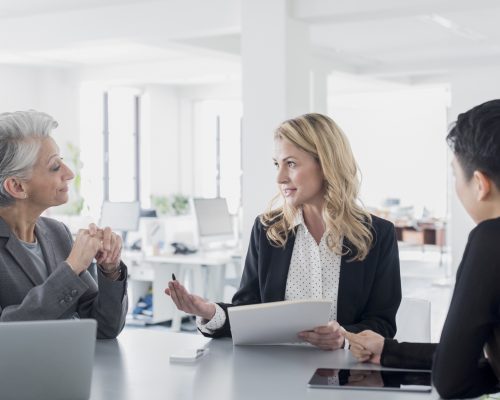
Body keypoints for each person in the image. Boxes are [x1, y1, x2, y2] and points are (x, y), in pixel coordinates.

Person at [166, 113, 401, 349]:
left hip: (345, 375)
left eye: (291, 164)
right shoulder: (267, 230)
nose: (279, 177)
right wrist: (208, 311)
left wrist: (345, 337)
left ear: (326, 164)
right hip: (274, 371)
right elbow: (247, 313)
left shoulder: (377, 235)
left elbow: (382, 324)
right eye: (277, 165)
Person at [345, 99, 500, 399]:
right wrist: (391, 351)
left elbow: (453, 379)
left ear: (480, 184)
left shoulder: (490, 240)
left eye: (455, 175)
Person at [0, 110, 128, 339]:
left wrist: (110, 270)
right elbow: (6, 329)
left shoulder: (57, 233)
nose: (69, 174)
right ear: (17, 187)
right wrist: (71, 268)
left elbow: (104, 326)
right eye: (55, 167)